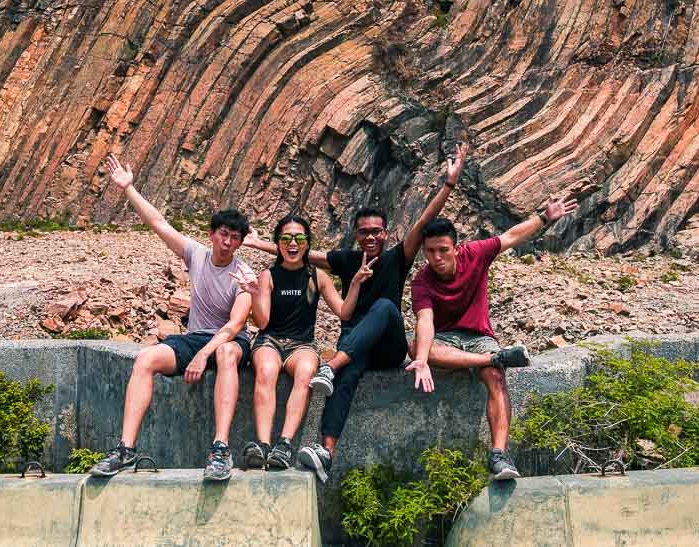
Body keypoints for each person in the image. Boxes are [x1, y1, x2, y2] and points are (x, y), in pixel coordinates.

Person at [243, 144, 468, 482]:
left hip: (388, 345)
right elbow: (303, 254)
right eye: (364, 231)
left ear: (386, 233)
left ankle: (330, 367)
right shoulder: (347, 260)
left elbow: (423, 224)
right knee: (345, 379)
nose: (371, 236)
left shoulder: (397, 257)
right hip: (355, 348)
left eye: (377, 231)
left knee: (383, 307)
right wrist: (260, 243)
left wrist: (448, 185)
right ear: (356, 234)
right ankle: (326, 452)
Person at [89, 154, 255, 482]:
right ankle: (125, 448)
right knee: (146, 359)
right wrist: (129, 189)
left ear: (240, 241)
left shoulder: (244, 273)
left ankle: (220, 449)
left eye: (234, 237)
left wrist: (203, 354)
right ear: (212, 234)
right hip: (195, 338)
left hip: (229, 342)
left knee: (224, 352)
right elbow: (159, 223)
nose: (227, 242)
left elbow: (235, 325)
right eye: (223, 234)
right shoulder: (196, 253)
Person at [406, 196, 578, 480]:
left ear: (456, 248)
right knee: (416, 348)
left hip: (478, 336)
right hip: (446, 340)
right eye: (430, 251)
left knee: (496, 378)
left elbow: (510, 236)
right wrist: (422, 360)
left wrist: (545, 218)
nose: (436, 258)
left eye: (443, 250)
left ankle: (499, 454)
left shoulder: (475, 253)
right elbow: (425, 320)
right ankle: (495, 358)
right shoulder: (422, 281)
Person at [231, 215, 370, 471]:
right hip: (269, 340)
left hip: (302, 345)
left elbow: (344, 312)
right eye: (285, 238)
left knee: (306, 372)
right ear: (278, 243)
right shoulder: (267, 276)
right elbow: (262, 322)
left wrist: (356, 284)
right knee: (266, 370)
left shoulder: (318, 276)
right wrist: (254, 294)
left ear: (307, 244)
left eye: (299, 238)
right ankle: (262, 444)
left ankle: (284, 444)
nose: (292, 243)